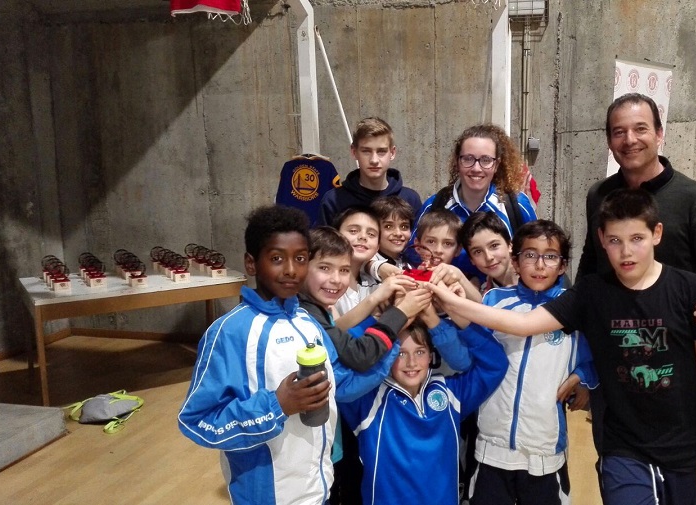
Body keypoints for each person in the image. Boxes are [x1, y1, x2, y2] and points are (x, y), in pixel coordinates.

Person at [428, 189, 696, 505]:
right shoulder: (591, 293)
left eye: (637, 238)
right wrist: (450, 301)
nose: (626, 251)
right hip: (620, 445)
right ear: (601, 239)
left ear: (657, 233)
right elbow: (520, 324)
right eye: (615, 240)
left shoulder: (690, 289)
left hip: (682, 445)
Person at [177, 205, 401, 505]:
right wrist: (278, 405)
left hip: (318, 487)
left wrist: (395, 341)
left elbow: (341, 386)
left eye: (300, 258)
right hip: (268, 497)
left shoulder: (308, 322)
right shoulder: (230, 332)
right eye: (276, 258)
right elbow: (198, 421)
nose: (291, 270)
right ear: (251, 263)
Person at [576, 92, 696, 452]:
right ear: (609, 140)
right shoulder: (598, 196)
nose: (630, 140)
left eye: (640, 129)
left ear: (659, 133)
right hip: (615, 352)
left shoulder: (695, 198)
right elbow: (591, 262)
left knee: (683, 460)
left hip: (676, 356)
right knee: (616, 456)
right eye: (619, 132)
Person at [469, 220, 598, 505]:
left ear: (563, 265)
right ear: (515, 261)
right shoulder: (494, 301)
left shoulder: (573, 307)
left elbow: (595, 357)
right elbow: (475, 353)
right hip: (492, 444)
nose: (540, 265)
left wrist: (582, 377)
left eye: (550, 256)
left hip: (544, 447)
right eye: (530, 255)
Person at [298, 226, 429, 505]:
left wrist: (384, 311)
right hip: (305, 451)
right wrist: (398, 316)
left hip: (323, 443)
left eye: (344, 270)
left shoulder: (318, 311)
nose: (336, 279)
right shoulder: (304, 317)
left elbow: (341, 336)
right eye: (324, 268)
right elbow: (356, 359)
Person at [338, 311, 509, 505]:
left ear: (431, 355)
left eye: (419, 352)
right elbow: (335, 351)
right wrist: (384, 320)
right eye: (400, 353)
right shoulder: (366, 399)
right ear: (388, 354)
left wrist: (434, 322)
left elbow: (495, 363)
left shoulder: (450, 393)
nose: (411, 362)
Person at [411, 123, 537, 277]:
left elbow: (535, 255)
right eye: (468, 159)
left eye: (486, 160)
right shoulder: (435, 205)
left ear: (496, 164)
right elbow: (412, 253)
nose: (476, 168)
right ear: (457, 162)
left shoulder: (516, 205)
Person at [317, 117, 422, 226]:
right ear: (354, 152)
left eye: (381, 151)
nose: (374, 160)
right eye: (366, 151)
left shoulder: (410, 199)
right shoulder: (333, 200)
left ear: (392, 153)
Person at [459, 212, 517, 293]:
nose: (488, 257)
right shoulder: (486, 295)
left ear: (510, 245)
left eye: (494, 246)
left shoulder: (534, 278)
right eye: (478, 251)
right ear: (471, 259)